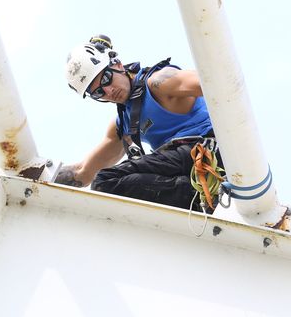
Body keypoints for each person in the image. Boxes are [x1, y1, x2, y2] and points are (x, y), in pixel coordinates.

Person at [55, 34, 223, 213]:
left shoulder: (159, 82)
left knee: (105, 180)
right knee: (106, 185)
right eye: (98, 92)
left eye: (106, 79)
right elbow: (83, 172)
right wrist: (41, 177)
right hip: (181, 167)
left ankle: (200, 198)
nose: (108, 91)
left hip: (205, 151)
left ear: (117, 64)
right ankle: (195, 200)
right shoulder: (123, 125)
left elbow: (214, 83)